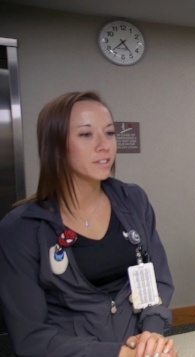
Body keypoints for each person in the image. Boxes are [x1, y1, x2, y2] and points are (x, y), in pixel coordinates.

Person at [0, 91, 177, 357]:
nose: (104, 145)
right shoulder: (22, 228)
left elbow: (156, 278)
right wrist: (117, 353)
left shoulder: (133, 201)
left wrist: (151, 334)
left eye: (109, 133)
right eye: (86, 134)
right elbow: (31, 336)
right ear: (55, 145)